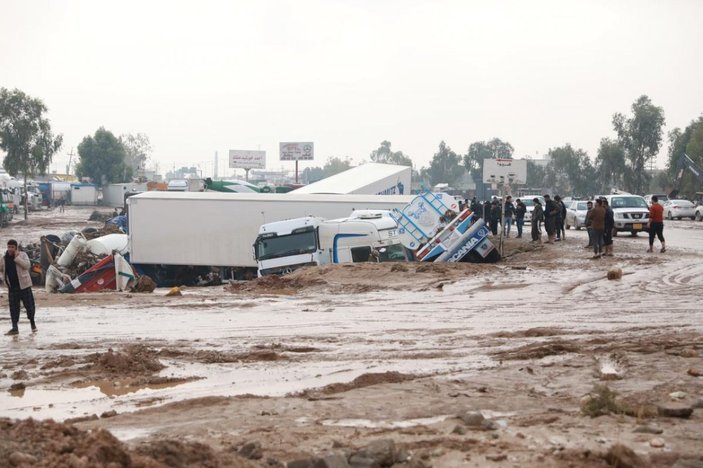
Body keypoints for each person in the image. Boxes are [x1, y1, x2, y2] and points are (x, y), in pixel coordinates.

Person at [0, 240, 37, 335]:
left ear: (16, 248)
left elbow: (27, 266)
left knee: (29, 306)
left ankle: (32, 324)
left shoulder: (23, 255)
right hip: (12, 288)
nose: (10, 249)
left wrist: (17, 258)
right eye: (9, 247)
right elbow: (1, 269)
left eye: (12, 247)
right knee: (13, 308)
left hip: (24, 286)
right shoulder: (4, 258)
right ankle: (14, 328)